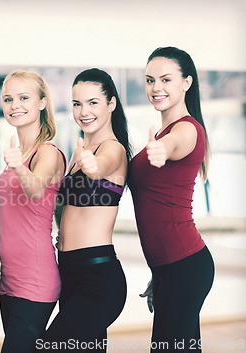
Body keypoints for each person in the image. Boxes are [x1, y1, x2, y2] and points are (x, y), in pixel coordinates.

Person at [128, 47, 214, 353]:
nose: (156, 88)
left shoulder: (186, 130)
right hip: (172, 267)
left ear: (186, 83)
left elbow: (176, 145)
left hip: (184, 265)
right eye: (150, 80)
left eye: (166, 79)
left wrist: (161, 150)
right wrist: (160, 272)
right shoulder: (165, 130)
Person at [38, 68, 131, 352]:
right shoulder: (80, 154)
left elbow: (101, 166)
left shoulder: (111, 149)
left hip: (98, 279)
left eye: (93, 102)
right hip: (71, 274)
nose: (83, 111)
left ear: (111, 104)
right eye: (77, 103)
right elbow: (65, 207)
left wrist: (91, 166)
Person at [0, 70, 66, 353]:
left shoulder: (47, 152)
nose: (15, 105)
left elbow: (36, 189)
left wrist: (17, 168)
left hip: (36, 282)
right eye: (9, 99)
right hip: (8, 281)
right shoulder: (18, 153)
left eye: (24, 98)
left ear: (42, 102)